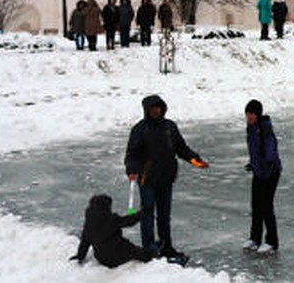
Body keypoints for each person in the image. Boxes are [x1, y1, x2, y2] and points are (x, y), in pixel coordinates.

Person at [124, 94, 210, 259]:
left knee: (164, 216)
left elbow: (181, 148)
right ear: (147, 110)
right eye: (152, 108)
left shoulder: (169, 127)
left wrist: (195, 160)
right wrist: (131, 170)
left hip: (166, 178)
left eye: (158, 107)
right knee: (147, 214)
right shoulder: (140, 129)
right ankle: (149, 249)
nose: (156, 110)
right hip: (147, 179)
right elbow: (132, 154)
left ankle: (166, 247)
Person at [70, 194, 153, 268]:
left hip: (101, 258)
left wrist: (80, 256)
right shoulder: (112, 220)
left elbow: (84, 243)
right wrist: (142, 213)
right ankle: (153, 258)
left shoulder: (89, 224)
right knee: (138, 252)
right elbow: (129, 221)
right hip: (116, 256)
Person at [244, 99, 282, 254]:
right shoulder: (251, 129)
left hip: (271, 173)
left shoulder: (265, 129)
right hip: (259, 172)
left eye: (251, 114)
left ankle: (272, 241)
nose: (248, 117)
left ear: (257, 114)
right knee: (256, 205)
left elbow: (270, 154)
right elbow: (255, 151)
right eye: (247, 114)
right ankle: (255, 238)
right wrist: (253, 164)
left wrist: (264, 167)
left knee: (266, 206)